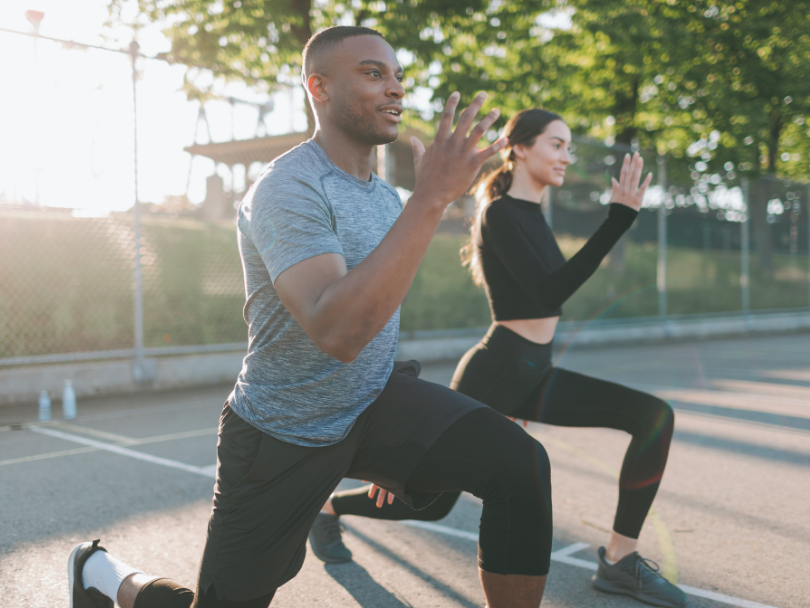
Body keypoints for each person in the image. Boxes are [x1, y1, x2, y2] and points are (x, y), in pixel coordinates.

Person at [68, 27, 555, 608]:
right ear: (318, 86)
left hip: (372, 405)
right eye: (374, 74)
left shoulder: (382, 197)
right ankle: (102, 574)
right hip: (282, 431)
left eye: (398, 76)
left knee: (519, 465)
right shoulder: (286, 188)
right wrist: (431, 200)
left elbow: (376, 314)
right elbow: (337, 331)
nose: (394, 88)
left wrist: (400, 440)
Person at [314, 109, 688, 608]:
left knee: (654, 417)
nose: (565, 156)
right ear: (521, 147)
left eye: (568, 146)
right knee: (430, 502)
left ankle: (619, 560)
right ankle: (329, 509)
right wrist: (617, 220)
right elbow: (547, 292)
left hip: (537, 371)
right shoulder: (500, 215)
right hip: (497, 371)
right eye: (556, 144)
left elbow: (551, 295)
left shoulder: (533, 216)